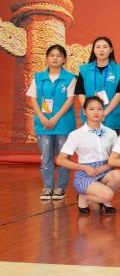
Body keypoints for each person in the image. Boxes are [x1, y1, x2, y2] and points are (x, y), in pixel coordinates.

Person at [56, 96, 120, 214]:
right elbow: (60, 160)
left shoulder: (111, 133)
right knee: (108, 194)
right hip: (85, 173)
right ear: (84, 112)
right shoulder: (76, 134)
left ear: (103, 111)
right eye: (92, 109)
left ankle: (94, 196)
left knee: (119, 175)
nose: (96, 112)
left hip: (105, 170)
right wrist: (84, 168)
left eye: (99, 109)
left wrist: (105, 167)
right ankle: (87, 197)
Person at [28, 44, 77, 201]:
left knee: (63, 157)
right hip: (43, 124)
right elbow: (33, 99)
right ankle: (47, 187)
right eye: (52, 55)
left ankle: (61, 187)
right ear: (47, 58)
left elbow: (70, 100)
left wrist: (55, 118)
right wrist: (42, 117)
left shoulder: (70, 78)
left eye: (59, 56)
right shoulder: (38, 77)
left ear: (64, 59)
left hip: (63, 124)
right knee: (46, 157)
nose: (55, 58)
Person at [76, 36, 120, 132]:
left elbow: (119, 94)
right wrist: (90, 112)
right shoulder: (84, 69)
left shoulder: (119, 70)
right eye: (98, 47)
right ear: (93, 50)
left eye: (105, 47)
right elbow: (81, 93)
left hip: (111, 118)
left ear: (111, 50)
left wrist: (103, 114)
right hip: (89, 120)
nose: (101, 50)